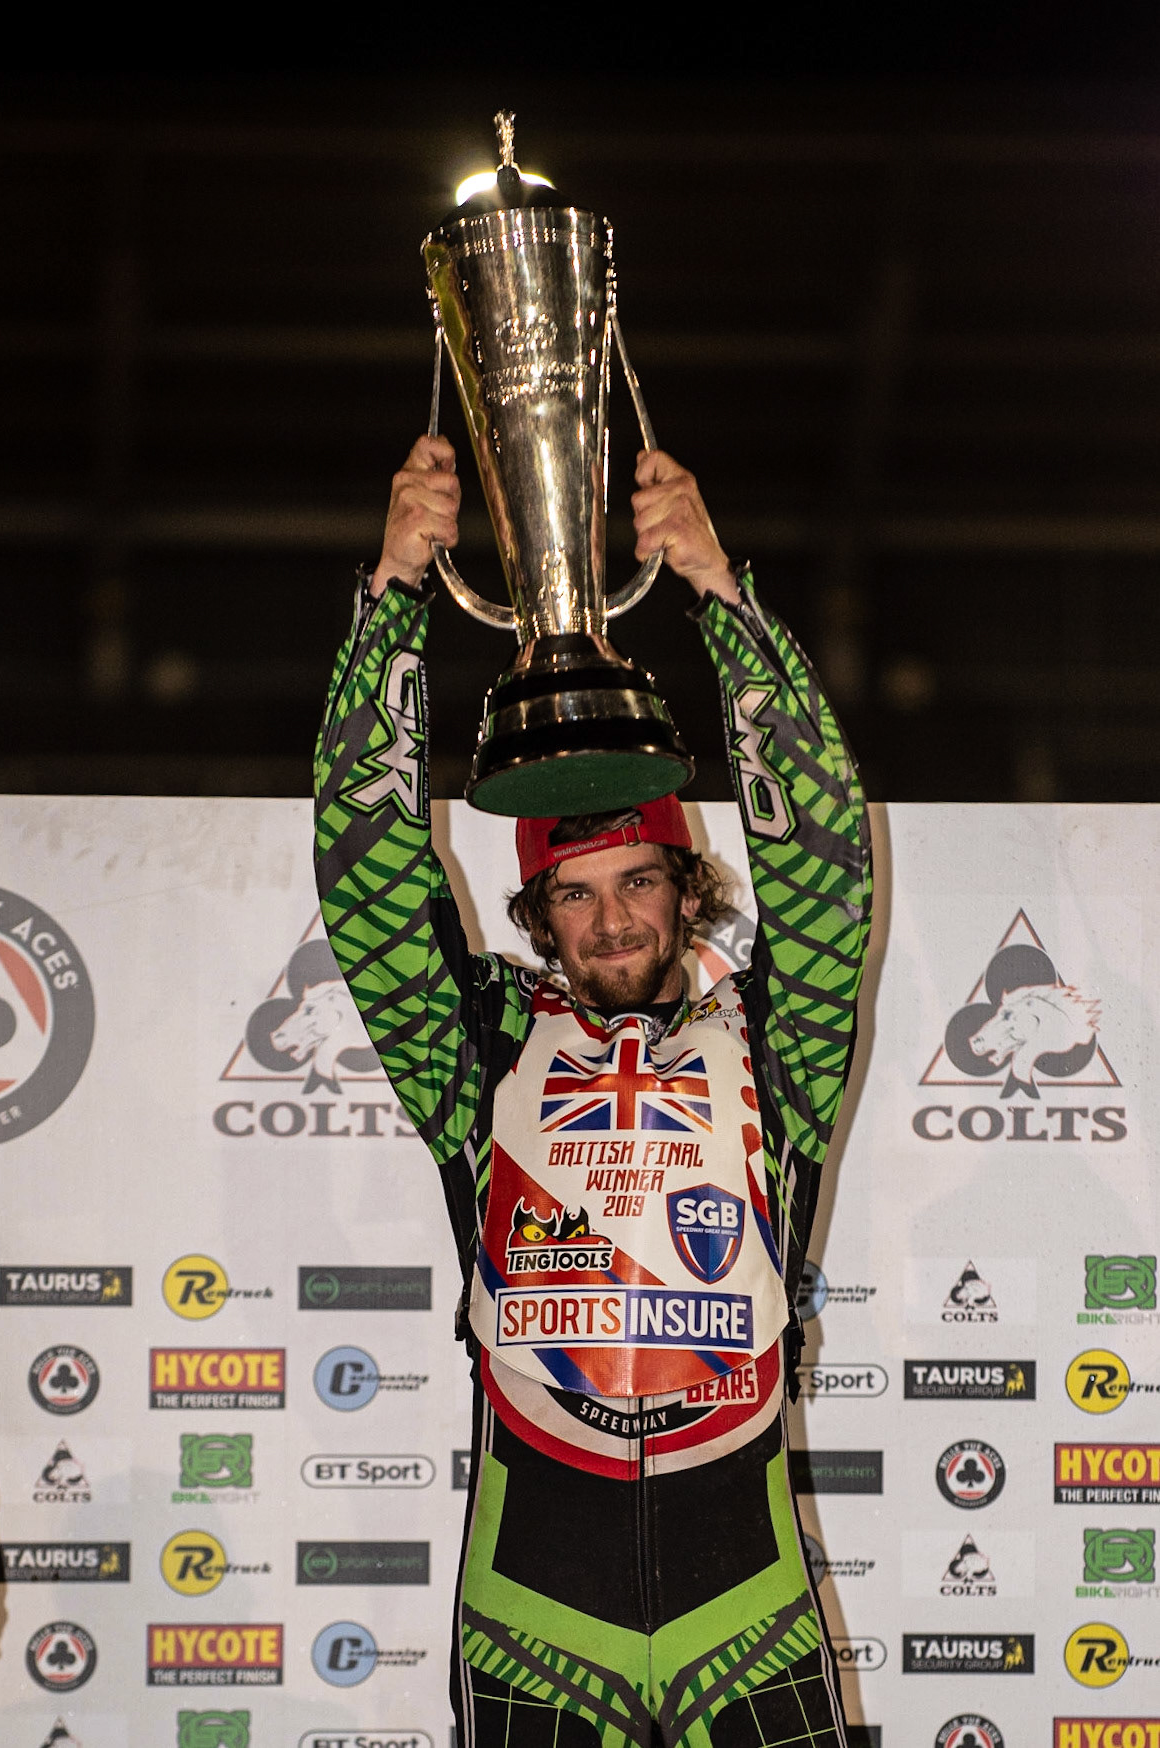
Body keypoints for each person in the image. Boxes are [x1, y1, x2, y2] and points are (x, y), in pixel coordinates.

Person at [315, 434, 872, 1748]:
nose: (611, 920)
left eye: (638, 882)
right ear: (538, 912)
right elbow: (369, 881)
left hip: (755, 1623)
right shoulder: (483, 1047)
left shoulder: (771, 1043)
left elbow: (829, 861)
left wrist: (724, 602)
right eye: (575, 891)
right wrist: (394, 599)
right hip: (531, 1627)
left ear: (690, 891)